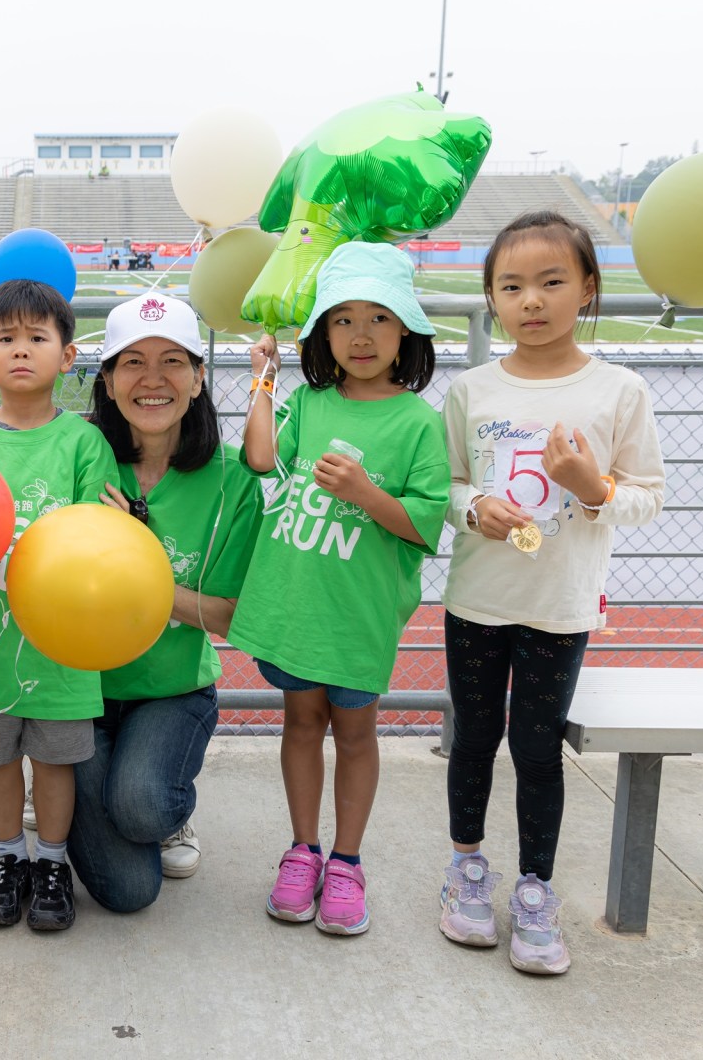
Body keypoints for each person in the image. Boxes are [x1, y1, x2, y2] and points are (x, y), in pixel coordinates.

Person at [439, 210, 665, 975]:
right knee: (473, 737)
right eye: (511, 286)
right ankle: (466, 868)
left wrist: (591, 485)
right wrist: (474, 508)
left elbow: (648, 495)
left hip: (559, 605)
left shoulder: (619, 390)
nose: (530, 300)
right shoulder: (471, 388)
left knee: (537, 749)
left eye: (551, 282)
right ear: (492, 298)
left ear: (588, 290)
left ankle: (536, 891)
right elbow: (449, 484)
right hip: (477, 599)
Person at [229, 241, 449, 936]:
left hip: (358, 614)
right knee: (300, 723)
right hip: (299, 606)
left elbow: (422, 524)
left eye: (380, 318)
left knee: (354, 732)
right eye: (343, 318)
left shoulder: (418, 422)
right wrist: (264, 378)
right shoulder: (309, 400)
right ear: (321, 332)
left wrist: (364, 491)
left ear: (406, 331)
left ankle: (348, 861)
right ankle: (303, 850)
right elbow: (261, 457)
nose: (361, 335)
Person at [68, 294, 263, 911]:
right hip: (77, 689)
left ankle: (165, 803)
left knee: (143, 807)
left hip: (172, 689)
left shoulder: (234, 480)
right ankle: (60, 786)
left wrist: (140, 562)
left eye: (173, 361)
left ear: (201, 378)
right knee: (130, 893)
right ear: (106, 378)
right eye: (132, 362)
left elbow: (230, 616)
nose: (153, 380)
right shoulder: (78, 458)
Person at [0, 278, 119, 931]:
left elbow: (96, 543)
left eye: (37, 338)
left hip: (61, 648)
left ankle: (51, 862)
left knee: (53, 760)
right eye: (5, 338)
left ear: (67, 356)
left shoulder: (83, 444)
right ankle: (7, 856)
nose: (21, 351)